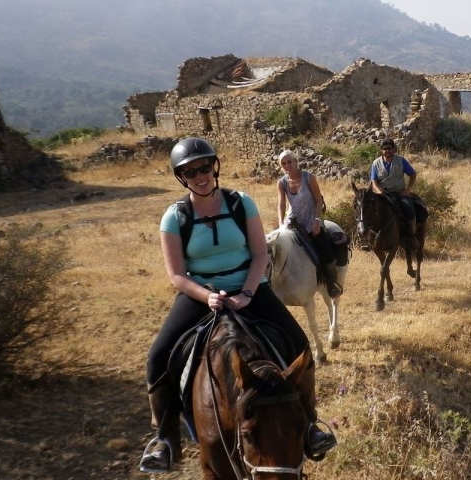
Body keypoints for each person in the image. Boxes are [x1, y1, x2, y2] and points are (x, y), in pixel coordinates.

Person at [140, 137, 336, 473]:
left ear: (213, 167)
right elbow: (176, 275)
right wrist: (207, 296)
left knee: (299, 345)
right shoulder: (175, 217)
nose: (199, 175)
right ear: (181, 177)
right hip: (201, 294)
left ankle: (310, 426)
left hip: (250, 288)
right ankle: (165, 438)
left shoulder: (240, 203)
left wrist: (246, 292)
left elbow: (260, 253)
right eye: (190, 171)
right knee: (158, 357)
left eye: (204, 167)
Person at [276, 149, 343, 298]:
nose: (287, 165)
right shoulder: (281, 183)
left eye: (290, 162)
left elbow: (318, 200)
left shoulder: (308, 178)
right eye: (284, 163)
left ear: (296, 162)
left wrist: (317, 221)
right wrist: (281, 223)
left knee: (326, 251)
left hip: (312, 222)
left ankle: (332, 283)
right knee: (277, 251)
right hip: (292, 223)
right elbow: (281, 204)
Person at [370, 138, 419, 249]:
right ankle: (368, 239)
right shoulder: (375, 163)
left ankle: (410, 237)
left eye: (390, 148)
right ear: (381, 150)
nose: (388, 151)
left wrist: (408, 189)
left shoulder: (401, 160)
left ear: (393, 149)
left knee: (410, 210)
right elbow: (373, 181)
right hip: (383, 194)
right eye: (385, 149)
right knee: (368, 211)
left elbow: (412, 174)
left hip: (398, 193)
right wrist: (378, 191)